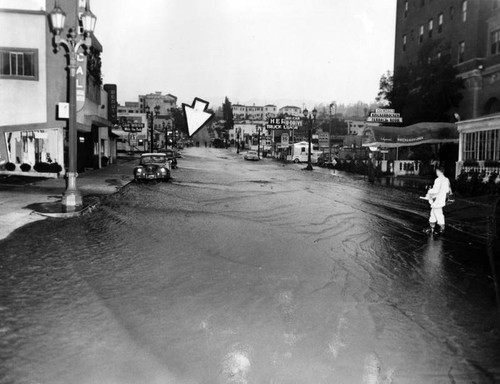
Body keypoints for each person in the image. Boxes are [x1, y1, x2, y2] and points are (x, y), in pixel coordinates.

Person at [424, 167, 451, 236]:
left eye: (437, 171)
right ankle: (431, 227)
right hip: (442, 198)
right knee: (433, 213)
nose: (436, 172)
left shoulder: (438, 180)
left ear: (439, 171)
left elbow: (435, 190)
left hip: (437, 199)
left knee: (438, 213)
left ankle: (441, 228)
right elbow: (448, 190)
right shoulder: (446, 179)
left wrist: (429, 191)